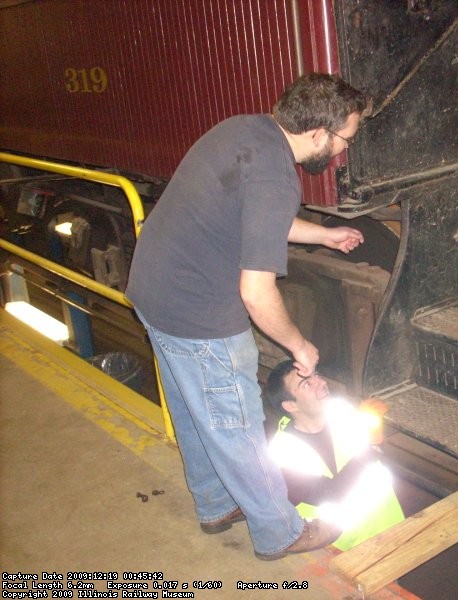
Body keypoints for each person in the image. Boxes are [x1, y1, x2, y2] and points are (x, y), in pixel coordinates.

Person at [125, 73, 370, 560]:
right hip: (198, 312)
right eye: (345, 138)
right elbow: (257, 293)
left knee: (197, 413)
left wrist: (323, 236)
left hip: (156, 291)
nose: (342, 151)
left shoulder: (246, 130)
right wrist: (298, 345)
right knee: (235, 422)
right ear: (319, 132)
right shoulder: (277, 175)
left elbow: (258, 218)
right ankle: (279, 532)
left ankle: (216, 503)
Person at [264, 360, 405, 551]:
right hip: (345, 550)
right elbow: (329, 494)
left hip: (391, 527)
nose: (320, 383)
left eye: (316, 375)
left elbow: (377, 455)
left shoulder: (342, 413)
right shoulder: (283, 452)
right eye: (306, 383)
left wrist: (375, 435)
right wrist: (369, 446)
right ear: (290, 406)